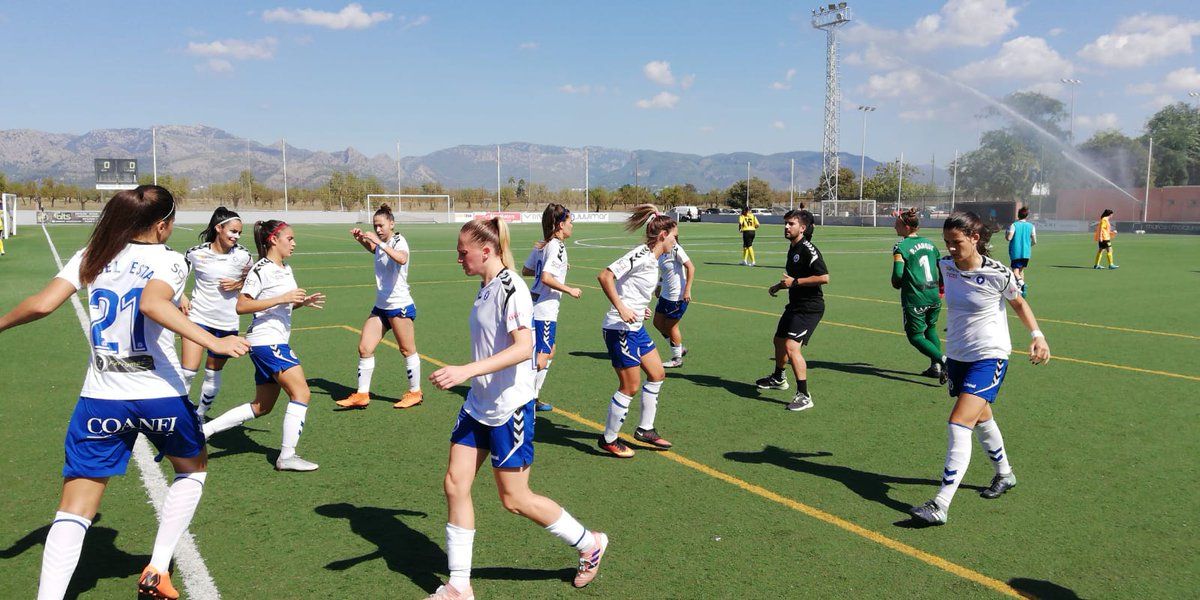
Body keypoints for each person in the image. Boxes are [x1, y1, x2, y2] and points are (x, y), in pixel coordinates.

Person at [0, 185, 250, 599]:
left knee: (75, 506)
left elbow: (42, 305)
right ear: (162, 223)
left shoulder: (92, 255)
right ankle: (157, 567)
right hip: (158, 394)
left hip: (101, 398)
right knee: (192, 469)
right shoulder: (168, 260)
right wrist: (214, 341)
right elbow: (153, 304)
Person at [424, 216, 608, 599]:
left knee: (515, 500)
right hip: (479, 405)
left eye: (463, 253)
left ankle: (589, 543)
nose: (458, 259)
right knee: (455, 484)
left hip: (510, 408)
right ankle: (459, 586)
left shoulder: (512, 288)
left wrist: (465, 371)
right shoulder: (485, 285)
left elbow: (525, 348)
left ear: (486, 250)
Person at [909, 212, 1051, 526]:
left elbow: (1019, 304)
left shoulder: (999, 274)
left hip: (991, 355)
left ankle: (940, 504)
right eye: (947, 242)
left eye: (957, 242)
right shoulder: (945, 266)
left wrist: (1037, 336)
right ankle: (1005, 474)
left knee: (959, 422)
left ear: (975, 238)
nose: (951, 248)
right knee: (981, 415)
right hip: (958, 355)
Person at [202, 220, 326, 472]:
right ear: (273, 240)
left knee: (262, 406)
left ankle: (203, 432)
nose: (294, 243)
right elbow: (242, 305)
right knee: (301, 393)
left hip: (271, 341)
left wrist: (300, 302)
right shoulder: (261, 269)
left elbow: (282, 305)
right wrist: (283, 298)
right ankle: (287, 456)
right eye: (289, 239)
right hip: (268, 341)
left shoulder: (285, 268)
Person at [595, 204, 679, 458]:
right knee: (630, 387)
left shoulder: (653, 260)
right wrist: (621, 307)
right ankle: (608, 439)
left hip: (636, 327)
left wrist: (638, 308)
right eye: (674, 236)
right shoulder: (641, 254)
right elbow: (605, 276)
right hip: (620, 329)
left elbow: (629, 287)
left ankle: (645, 429)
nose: (676, 241)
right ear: (663, 236)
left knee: (657, 373)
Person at [335, 204, 423, 409]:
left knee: (407, 349)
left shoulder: (400, 241)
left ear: (391, 223)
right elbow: (376, 250)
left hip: (399, 305)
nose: (378, 229)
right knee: (365, 348)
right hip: (381, 306)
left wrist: (377, 242)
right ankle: (362, 394)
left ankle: (415, 392)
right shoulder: (382, 243)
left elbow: (401, 258)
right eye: (375, 226)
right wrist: (362, 241)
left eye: (381, 225)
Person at [180, 207, 254, 418]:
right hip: (197, 319)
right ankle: (179, 414)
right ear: (218, 228)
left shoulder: (243, 256)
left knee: (213, 373)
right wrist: (182, 296)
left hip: (227, 324)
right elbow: (174, 278)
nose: (236, 236)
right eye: (232, 231)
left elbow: (253, 282)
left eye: (239, 233)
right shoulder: (196, 253)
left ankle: (200, 415)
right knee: (188, 372)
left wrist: (239, 283)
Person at [755, 209, 829, 412]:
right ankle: (779, 378)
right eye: (785, 223)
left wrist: (794, 282)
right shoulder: (793, 248)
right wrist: (779, 286)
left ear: (803, 228)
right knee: (778, 340)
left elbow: (824, 278)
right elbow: (792, 278)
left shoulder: (808, 249)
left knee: (791, 346)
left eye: (791, 224)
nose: (786, 227)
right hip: (795, 305)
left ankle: (804, 395)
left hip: (810, 308)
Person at [520, 203, 582, 413]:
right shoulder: (556, 246)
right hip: (544, 309)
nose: (572, 226)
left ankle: (533, 396)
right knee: (542, 355)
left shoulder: (543, 245)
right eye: (570, 222)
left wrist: (559, 267)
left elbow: (527, 270)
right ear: (559, 224)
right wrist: (569, 289)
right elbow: (546, 277)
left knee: (549, 350)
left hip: (534, 304)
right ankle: (523, 396)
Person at [891, 209, 945, 380]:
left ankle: (944, 361)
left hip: (915, 297)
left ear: (907, 227)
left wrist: (896, 283)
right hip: (933, 294)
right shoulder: (931, 244)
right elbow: (941, 267)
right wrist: (941, 288)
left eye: (897, 224)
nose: (894, 227)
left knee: (915, 336)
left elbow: (898, 275)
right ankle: (935, 367)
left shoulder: (901, 247)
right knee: (931, 328)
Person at [653, 240, 694, 368]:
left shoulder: (675, 249)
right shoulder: (661, 250)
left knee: (671, 326)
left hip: (677, 295)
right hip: (665, 294)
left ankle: (677, 358)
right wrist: (659, 286)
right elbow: (664, 272)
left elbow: (691, 267)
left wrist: (687, 290)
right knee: (657, 323)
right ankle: (679, 348)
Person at [1006, 206, 1036, 296]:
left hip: (1016, 252)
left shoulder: (1014, 225)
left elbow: (1009, 238)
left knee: (1015, 271)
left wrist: (1006, 234)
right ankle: (1021, 291)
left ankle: (1022, 285)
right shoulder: (1031, 226)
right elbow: (1035, 241)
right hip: (1026, 253)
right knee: (1021, 271)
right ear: (1026, 216)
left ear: (1018, 215)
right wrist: (1028, 246)